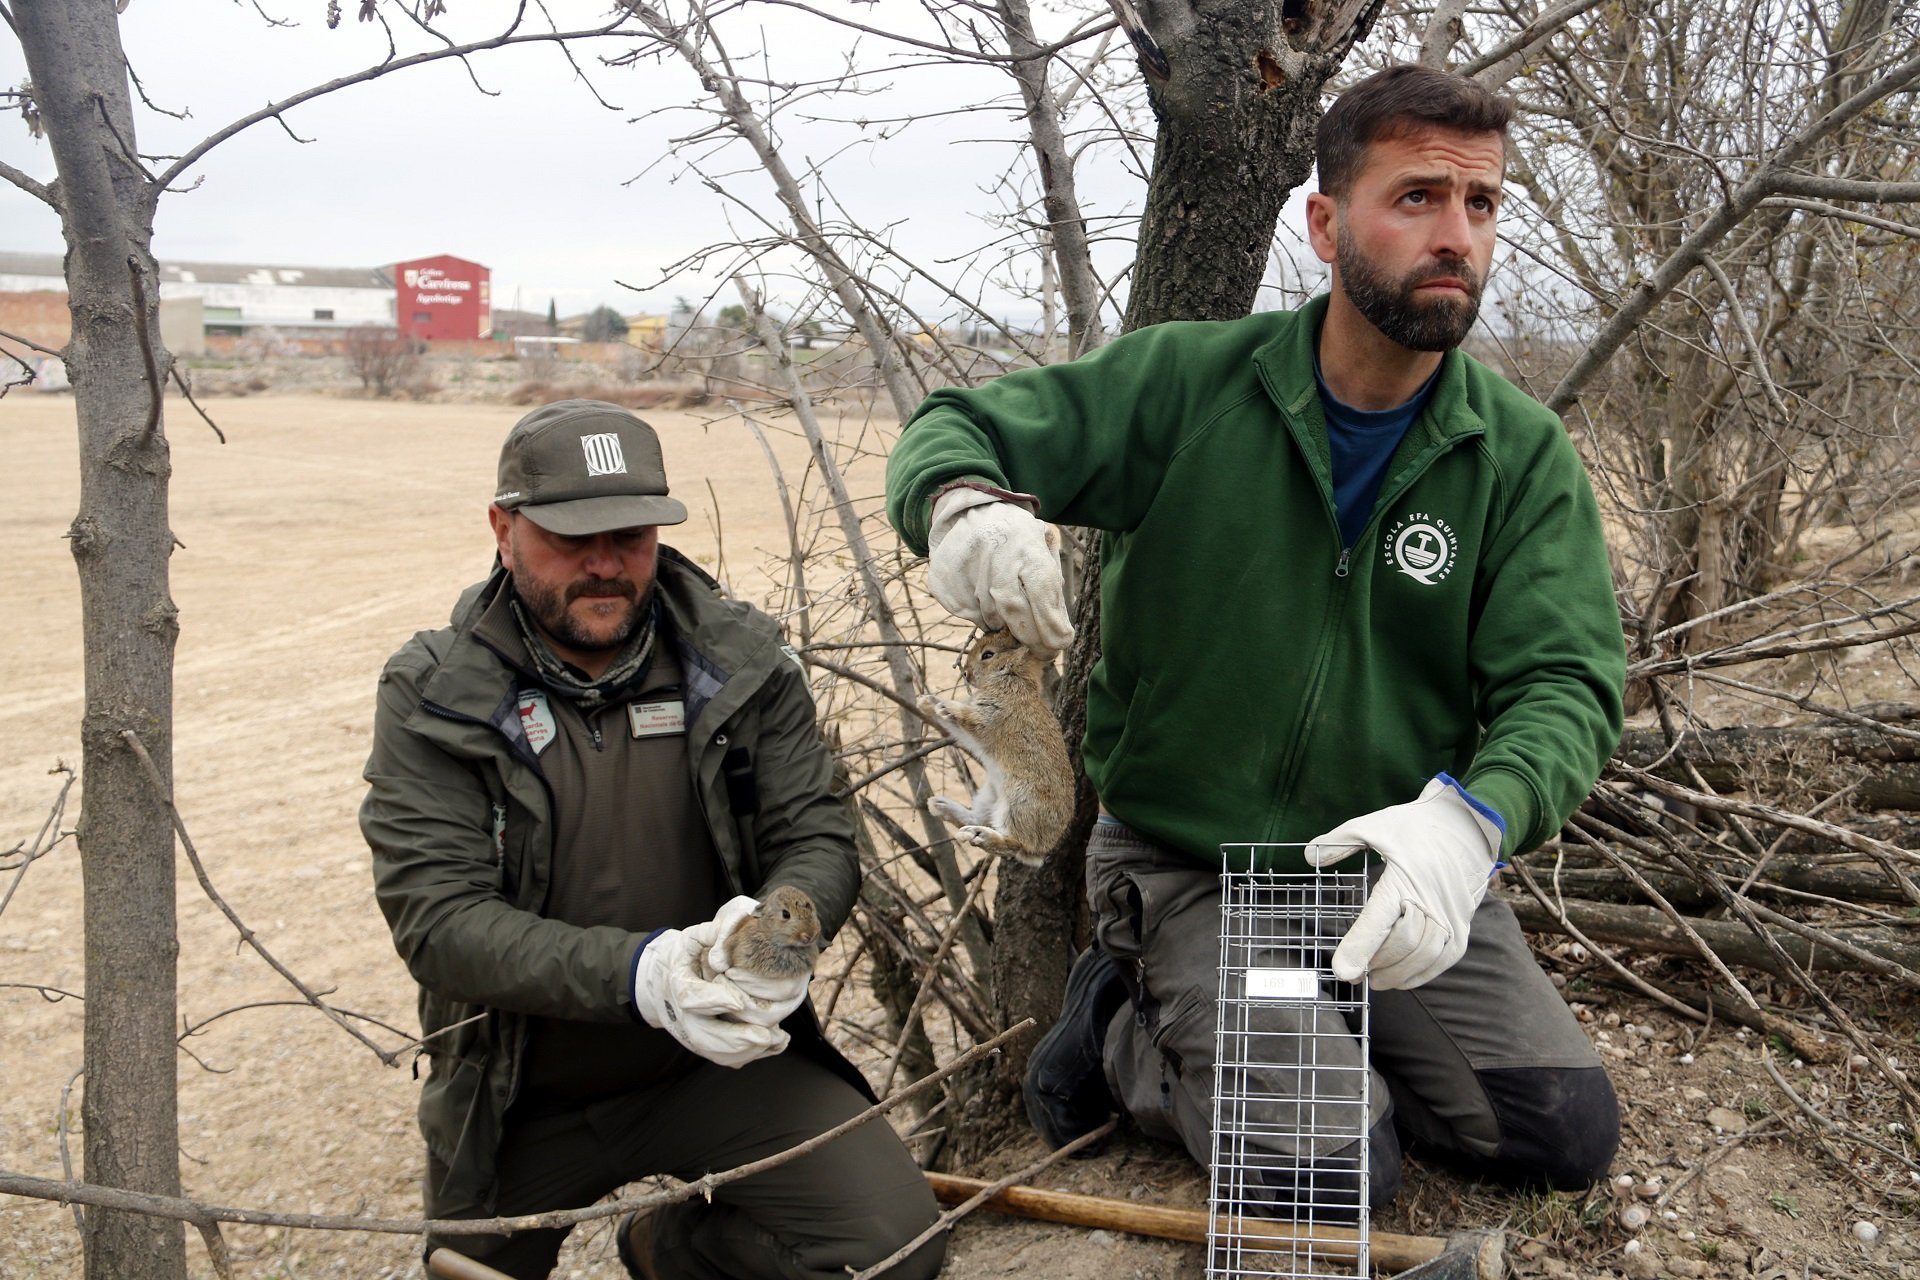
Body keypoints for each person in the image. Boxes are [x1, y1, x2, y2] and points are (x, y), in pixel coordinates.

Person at [884, 65, 1625, 1211]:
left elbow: (1568, 681)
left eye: (1481, 207)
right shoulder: (1191, 385)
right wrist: (961, 506)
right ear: (1327, 224)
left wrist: (1471, 822)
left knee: (1557, 1129)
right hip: (1200, 869)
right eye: (1419, 196)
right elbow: (959, 425)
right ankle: (1123, 1031)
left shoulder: (1516, 453)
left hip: (1393, 862)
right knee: (1337, 1171)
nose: (1457, 237)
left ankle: (1303, 1030)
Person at [362, 400, 943, 1279]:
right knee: (465, 1274)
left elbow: (817, 835)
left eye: (629, 536)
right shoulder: (437, 695)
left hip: (720, 1065)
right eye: (571, 538)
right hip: (524, 1093)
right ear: (502, 529)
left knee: (895, 1251)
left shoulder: (741, 664)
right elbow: (437, 923)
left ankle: (670, 1248)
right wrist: (647, 975)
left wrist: (770, 947)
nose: (605, 565)